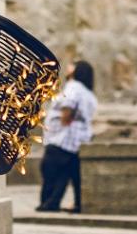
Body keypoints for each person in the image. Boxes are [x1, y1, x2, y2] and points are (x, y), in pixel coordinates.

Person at [37, 60, 97, 213]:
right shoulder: (89, 93)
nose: (68, 67)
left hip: (62, 139)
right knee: (65, 175)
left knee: (50, 170)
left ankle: (48, 203)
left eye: (73, 65)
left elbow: (68, 106)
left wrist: (63, 122)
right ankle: (56, 203)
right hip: (77, 141)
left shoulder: (73, 86)